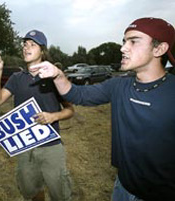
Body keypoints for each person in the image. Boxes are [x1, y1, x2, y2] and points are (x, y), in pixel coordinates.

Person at [31, 18, 175, 201]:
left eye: (133, 41)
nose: (123, 48)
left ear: (159, 49)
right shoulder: (118, 86)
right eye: (124, 41)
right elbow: (78, 95)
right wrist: (58, 75)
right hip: (122, 187)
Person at [0, 30, 74, 201]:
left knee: (60, 194)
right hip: (25, 147)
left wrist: (53, 117)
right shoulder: (16, 78)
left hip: (51, 146)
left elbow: (70, 110)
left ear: (42, 51)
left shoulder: (53, 77)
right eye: (25, 44)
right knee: (33, 191)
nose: (26, 48)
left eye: (32, 45)